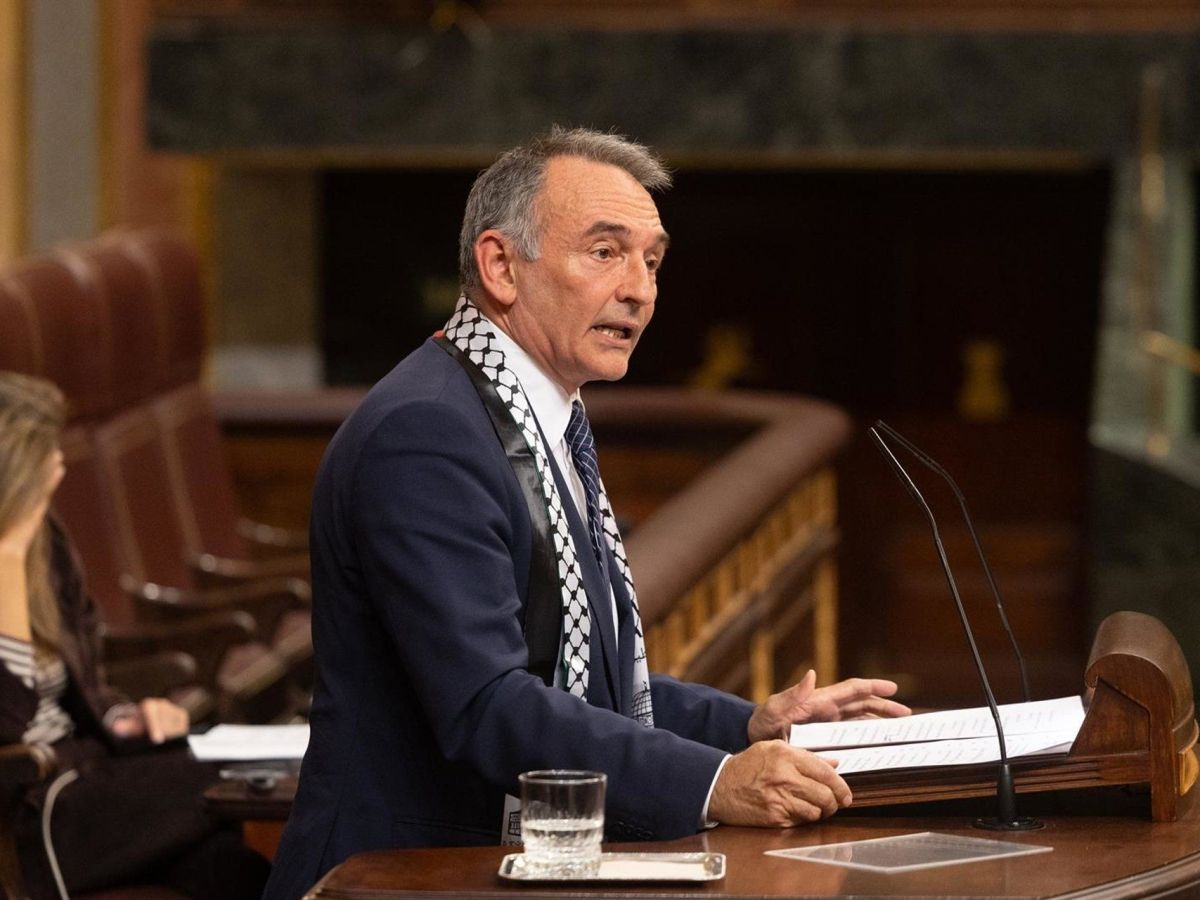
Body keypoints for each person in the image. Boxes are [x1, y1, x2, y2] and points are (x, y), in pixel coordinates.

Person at [264, 126, 909, 897]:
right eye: (605, 252)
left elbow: (578, 684)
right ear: (500, 266)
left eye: (652, 261)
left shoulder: (540, 417)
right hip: (394, 876)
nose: (640, 289)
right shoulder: (427, 432)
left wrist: (745, 726)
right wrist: (716, 781)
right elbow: (487, 703)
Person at [0, 372, 270, 900]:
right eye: (46, 457)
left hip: (91, 772)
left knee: (232, 868)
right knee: (242, 775)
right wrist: (7, 554)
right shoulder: (17, 549)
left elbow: (84, 677)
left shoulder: (46, 542)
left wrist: (124, 717)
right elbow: (6, 722)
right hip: (27, 814)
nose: (60, 466)